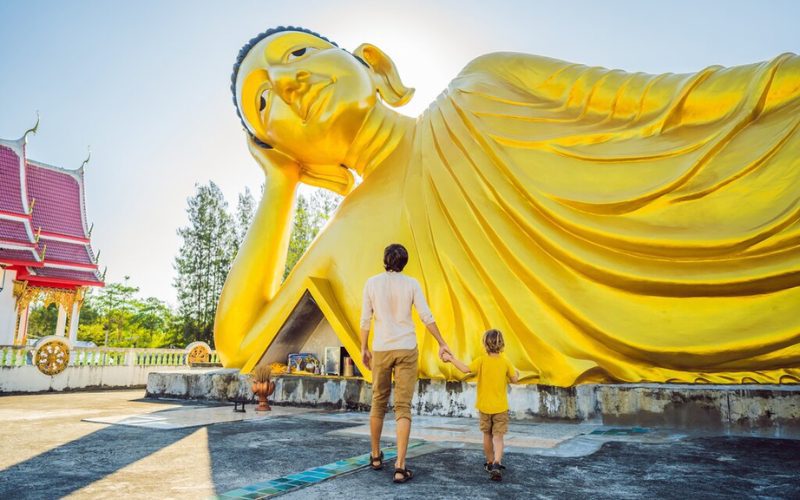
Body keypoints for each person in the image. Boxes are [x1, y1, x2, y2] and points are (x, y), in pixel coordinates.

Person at [216, 26, 800, 387]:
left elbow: (664, 105)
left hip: (709, 226)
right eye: (265, 102)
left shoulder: (486, 83)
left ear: (374, 64)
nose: (289, 83)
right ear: (293, 154)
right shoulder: (341, 238)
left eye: (296, 53)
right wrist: (280, 186)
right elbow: (242, 346)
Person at [359, 243, 451, 483]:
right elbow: (426, 316)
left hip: (381, 348)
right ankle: (400, 466)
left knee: (378, 401)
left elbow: (365, 320)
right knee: (403, 407)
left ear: (385, 259)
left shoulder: (371, 283)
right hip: (406, 348)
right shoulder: (411, 284)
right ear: (404, 262)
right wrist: (441, 342)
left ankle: (376, 455)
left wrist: (363, 348)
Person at [444, 329, 518, 481]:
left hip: (484, 407)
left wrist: (451, 359)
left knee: (487, 435)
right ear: (502, 344)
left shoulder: (481, 360)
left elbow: (465, 369)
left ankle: (490, 463)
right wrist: (516, 373)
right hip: (501, 407)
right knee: (498, 437)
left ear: (485, 344)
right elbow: (514, 379)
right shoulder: (506, 361)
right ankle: (497, 463)